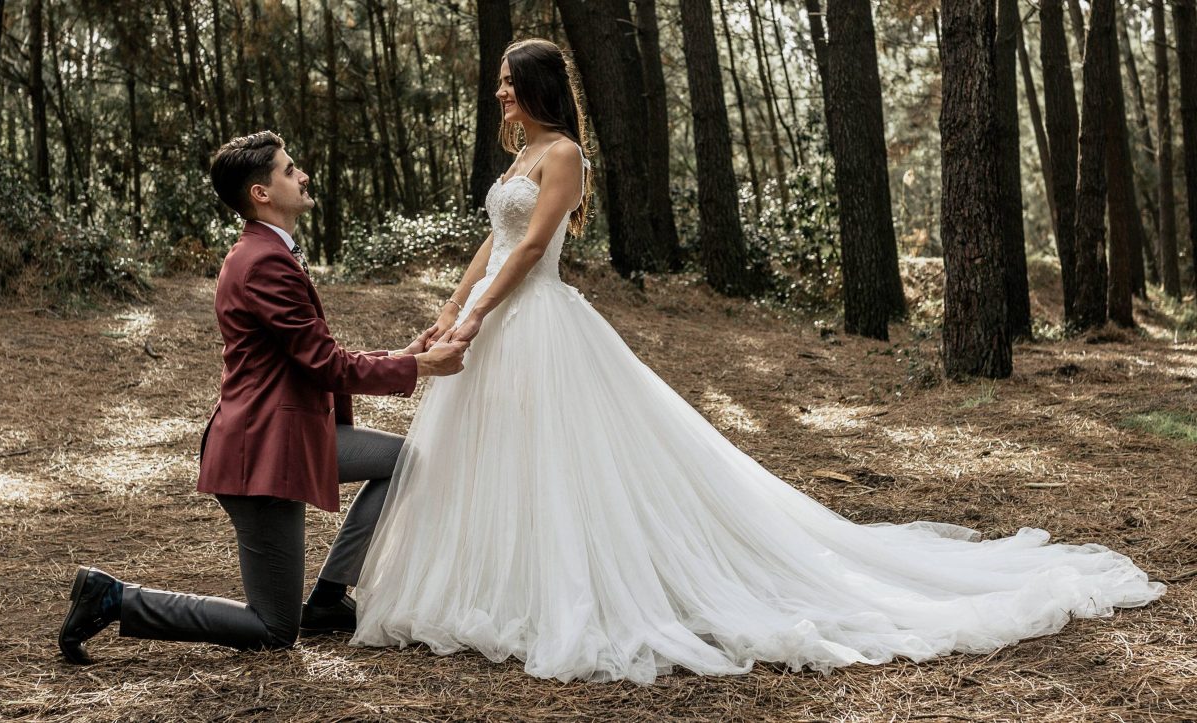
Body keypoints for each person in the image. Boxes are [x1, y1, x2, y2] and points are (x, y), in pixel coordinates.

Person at [349, 38, 1164, 684]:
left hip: (538, 323)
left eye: (508, 80)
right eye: (497, 82)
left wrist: (482, 313)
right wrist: (450, 314)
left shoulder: (562, 155)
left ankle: (561, 590)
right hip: (493, 324)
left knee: (564, 460)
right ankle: (491, 587)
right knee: (494, 455)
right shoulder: (515, 159)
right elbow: (491, 244)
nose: (499, 92)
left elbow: (530, 250)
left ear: (539, 87)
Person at [58, 131, 470, 665]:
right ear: (262, 193)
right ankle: (114, 598)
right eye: (290, 169)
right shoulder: (263, 262)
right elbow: (323, 362)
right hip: (263, 453)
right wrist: (417, 366)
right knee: (274, 628)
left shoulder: (266, 252)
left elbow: (311, 353)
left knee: (403, 460)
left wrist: (401, 353)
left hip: (292, 432)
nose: (302, 176)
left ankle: (327, 596)